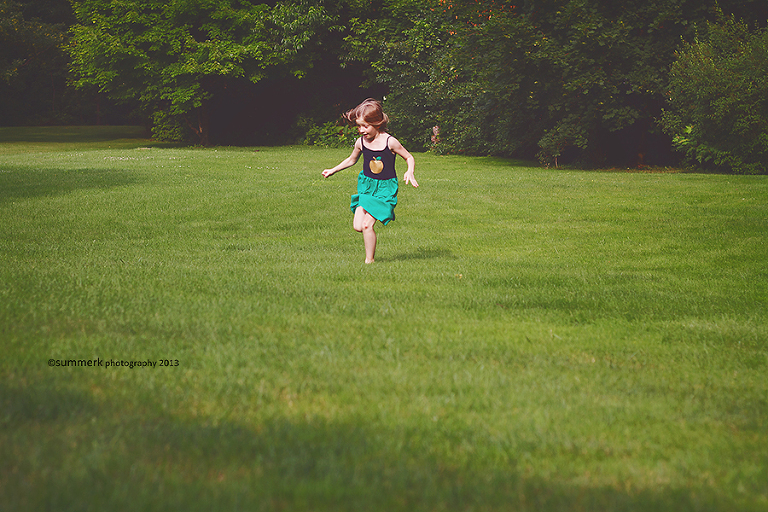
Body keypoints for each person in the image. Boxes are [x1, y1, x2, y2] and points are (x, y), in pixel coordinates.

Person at [322, 99, 418, 264]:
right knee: (358, 226)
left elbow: (408, 157)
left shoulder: (390, 142)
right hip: (367, 186)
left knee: (367, 225)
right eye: (359, 126)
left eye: (365, 126)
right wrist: (333, 170)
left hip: (385, 188)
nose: (361, 130)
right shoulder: (361, 142)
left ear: (377, 123)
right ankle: (369, 256)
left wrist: (410, 171)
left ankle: (369, 261)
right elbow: (351, 160)